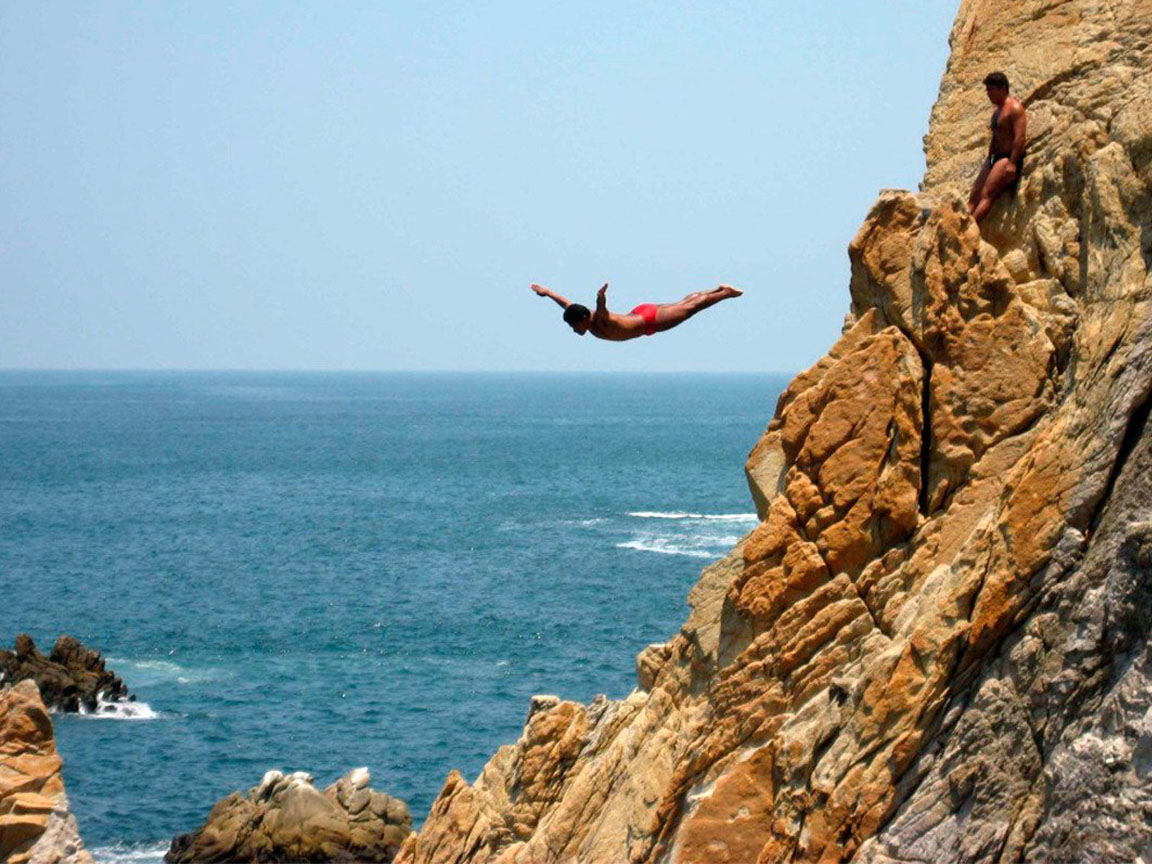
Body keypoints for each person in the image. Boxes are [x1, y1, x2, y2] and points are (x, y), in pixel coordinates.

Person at [530, 282, 742, 341]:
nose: (573, 330)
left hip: (650, 320)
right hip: (640, 313)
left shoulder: (600, 321)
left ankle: (725, 293)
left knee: (690, 308)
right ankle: (718, 289)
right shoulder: (581, 315)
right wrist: (547, 293)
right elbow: (566, 303)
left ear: (584, 318)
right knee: (684, 303)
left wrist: (601, 296)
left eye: (573, 325)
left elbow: (601, 307)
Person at [968, 71, 1027, 223]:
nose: (988, 94)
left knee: (987, 194)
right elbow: (995, 137)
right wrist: (988, 159)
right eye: (987, 90)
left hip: (1007, 158)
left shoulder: (1014, 108)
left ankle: (970, 230)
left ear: (1002, 88)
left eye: (991, 90)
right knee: (974, 195)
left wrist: (1012, 163)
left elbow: (1019, 137)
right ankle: (961, 227)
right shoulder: (996, 111)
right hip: (994, 158)